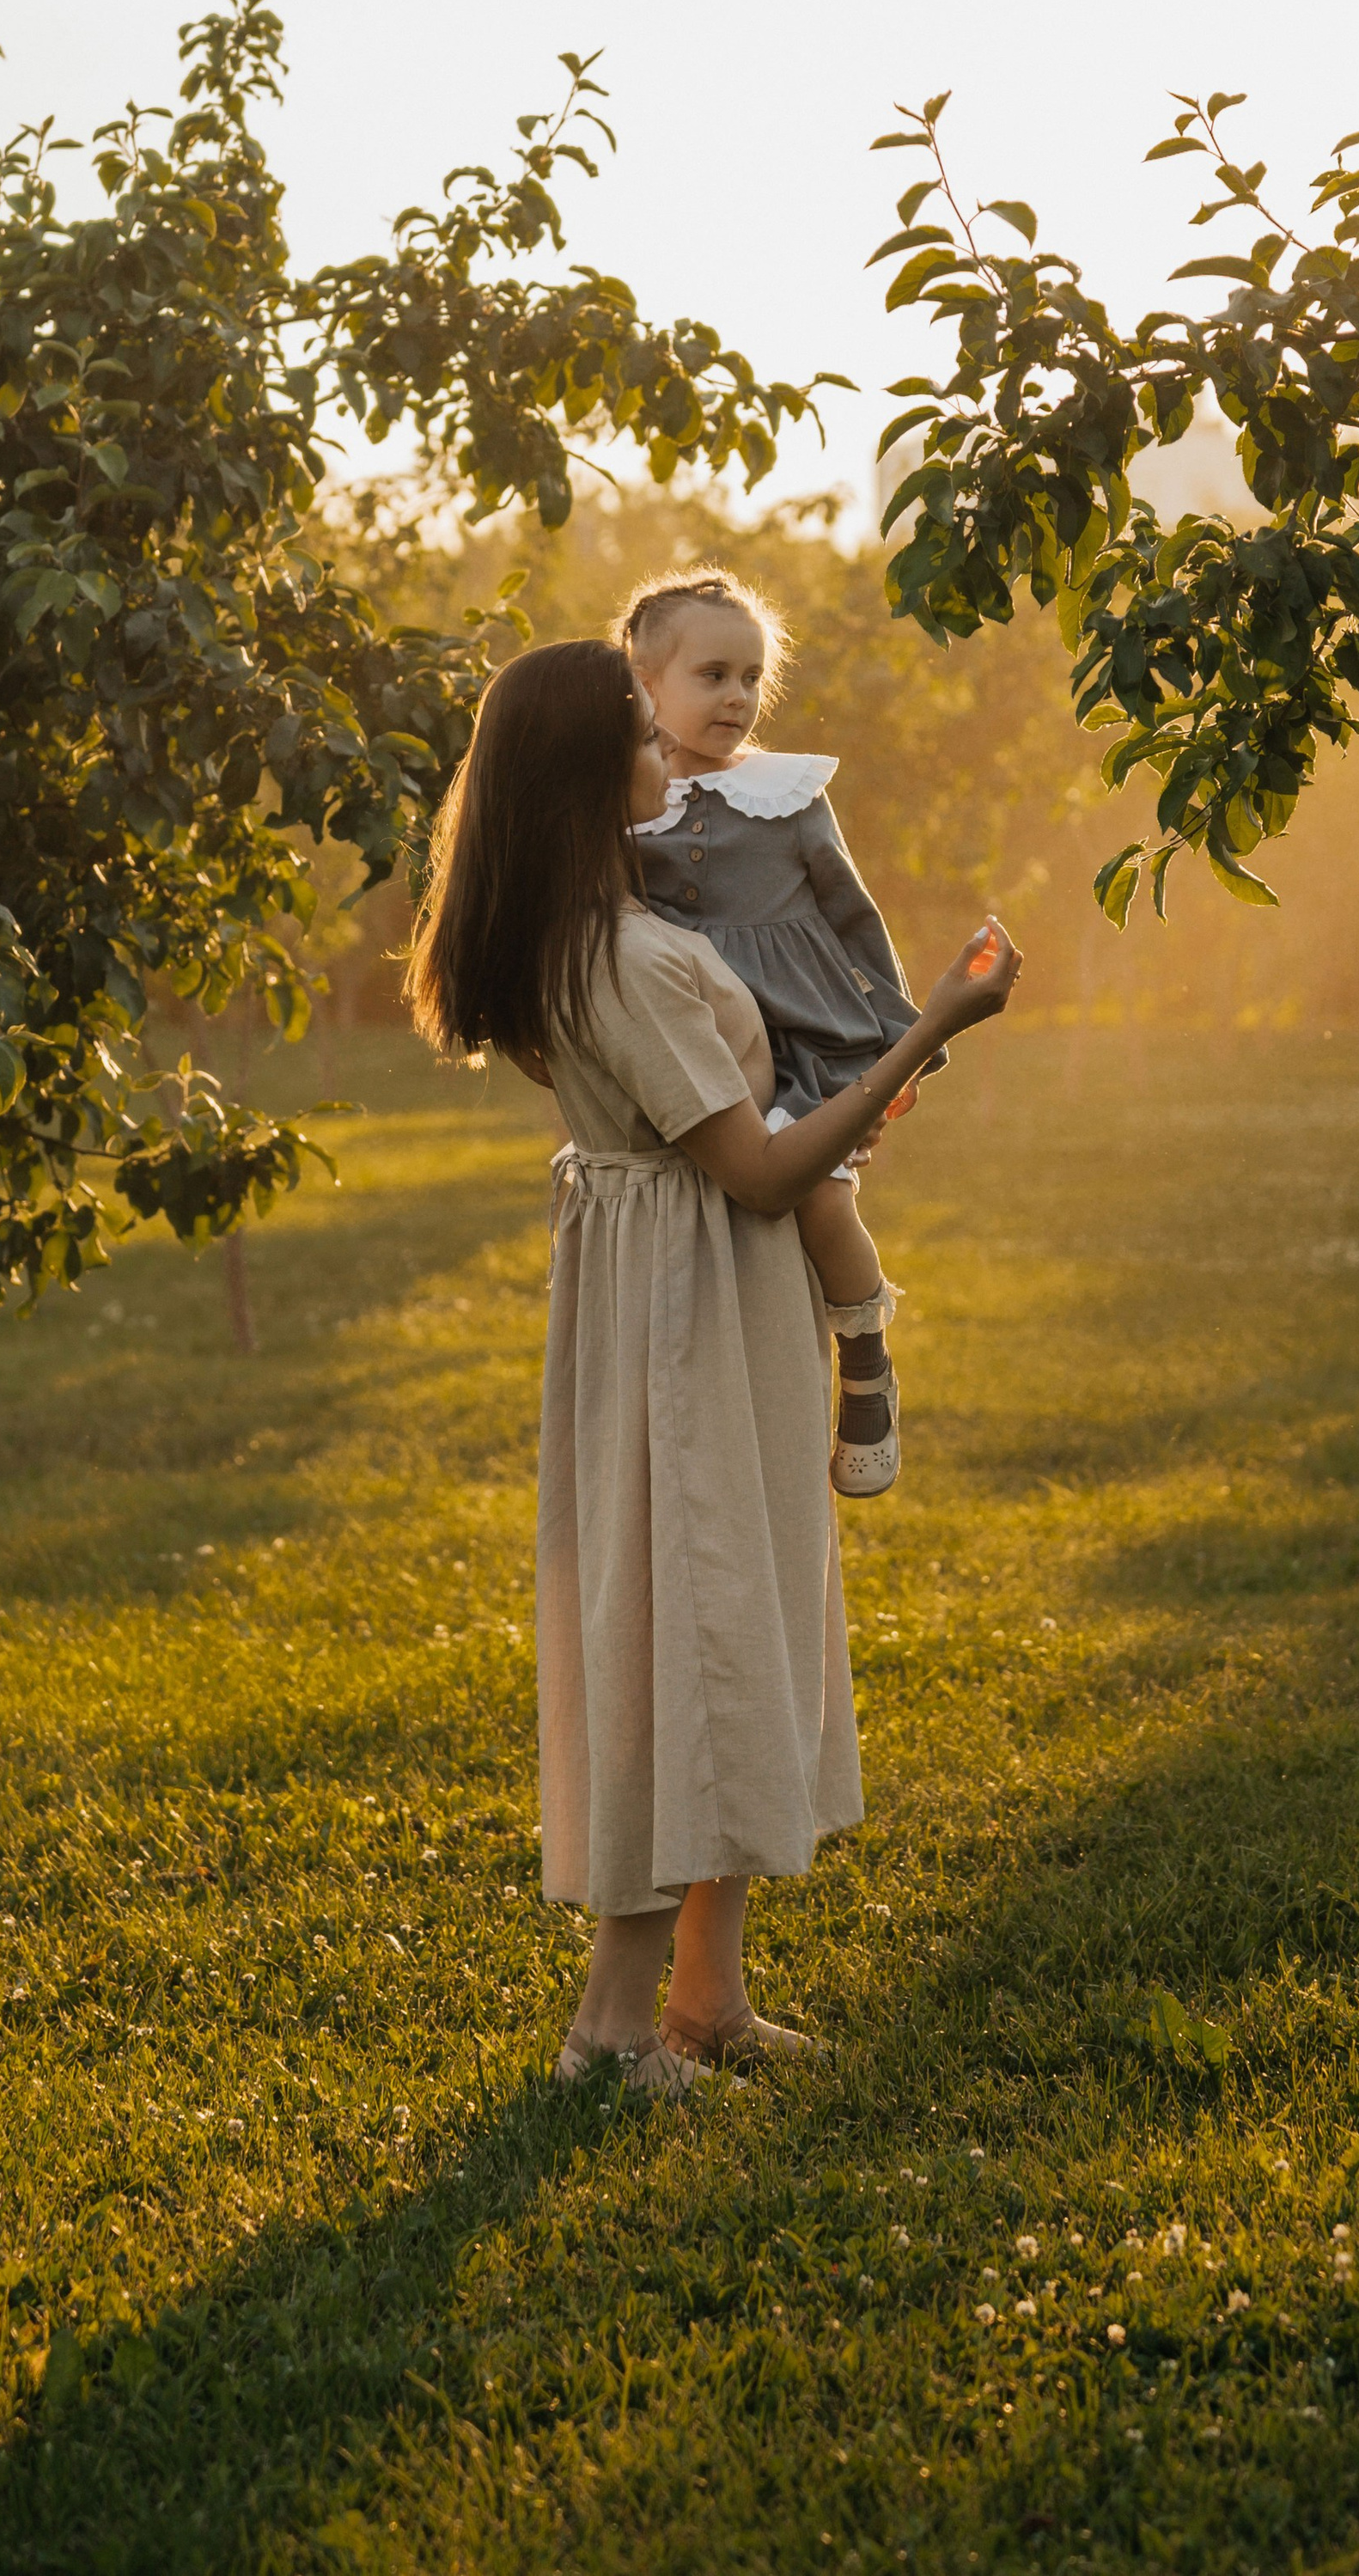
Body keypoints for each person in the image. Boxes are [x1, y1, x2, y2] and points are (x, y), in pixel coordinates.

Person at [409, 638, 1020, 2096]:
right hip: (690, 1294)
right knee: (687, 1638)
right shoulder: (615, 958)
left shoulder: (606, 924)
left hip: (701, 1292)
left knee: (731, 1624)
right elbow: (751, 1171)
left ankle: (708, 2004)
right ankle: (612, 2034)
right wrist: (933, 1025)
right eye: (637, 729)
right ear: (580, 773)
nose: (663, 749)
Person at [619, 566, 927, 1499]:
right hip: (701, 1043)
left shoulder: (787, 792)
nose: (739, 697)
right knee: (714, 1209)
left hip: (806, 1037)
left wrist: (901, 1044)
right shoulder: (621, 806)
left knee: (821, 1203)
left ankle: (865, 1356)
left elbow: (853, 915)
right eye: (712, 675)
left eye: (753, 677)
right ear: (643, 684)